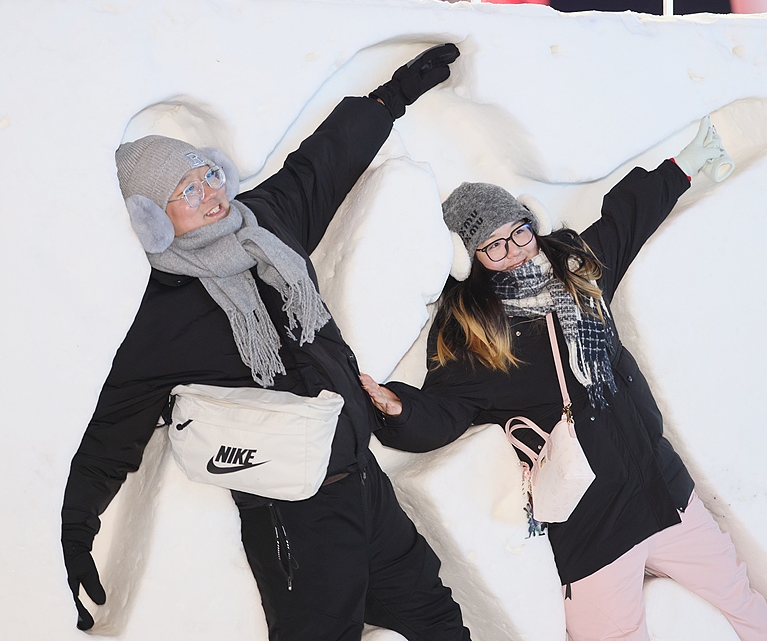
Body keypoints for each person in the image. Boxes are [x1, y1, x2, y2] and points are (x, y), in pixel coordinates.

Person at [61, 44, 473, 641]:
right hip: (291, 514)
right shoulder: (163, 311)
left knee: (437, 618)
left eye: (205, 173)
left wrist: (391, 98)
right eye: (187, 191)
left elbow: (323, 164)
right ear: (152, 217)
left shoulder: (266, 219)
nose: (209, 191)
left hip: (363, 480)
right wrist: (79, 526)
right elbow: (114, 429)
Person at [361, 117, 767, 640]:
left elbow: (626, 219)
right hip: (594, 529)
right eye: (495, 245)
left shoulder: (576, 269)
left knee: (746, 606)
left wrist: (680, 169)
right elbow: (443, 412)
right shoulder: (477, 336)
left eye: (519, 231)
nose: (516, 249)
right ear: (471, 260)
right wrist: (398, 411)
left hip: (663, 492)